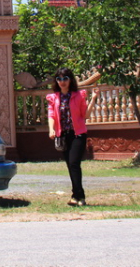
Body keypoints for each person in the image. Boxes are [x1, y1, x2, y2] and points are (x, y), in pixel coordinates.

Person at [47, 67, 98, 206]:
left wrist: (93, 99)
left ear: (70, 80)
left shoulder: (78, 95)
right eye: (59, 79)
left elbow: (85, 115)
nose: (62, 82)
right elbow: (51, 115)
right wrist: (51, 129)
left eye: (65, 79)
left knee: (74, 163)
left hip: (78, 134)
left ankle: (78, 196)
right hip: (63, 135)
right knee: (70, 165)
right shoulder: (54, 98)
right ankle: (77, 196)